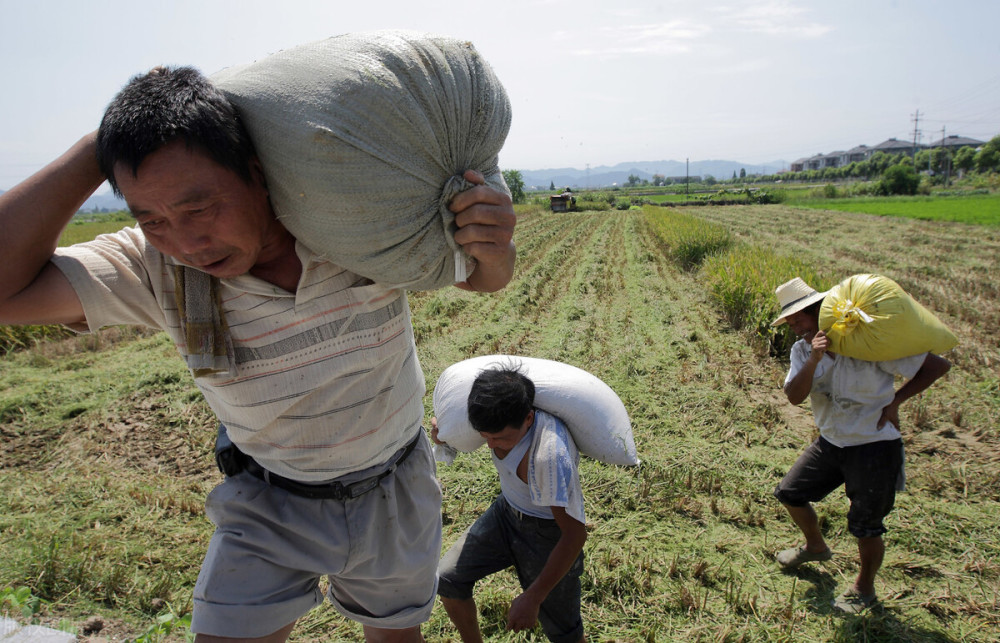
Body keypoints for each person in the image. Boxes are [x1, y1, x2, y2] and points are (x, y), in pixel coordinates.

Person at [0, 66, 516, 643]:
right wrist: (101, 145)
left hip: (395, 487)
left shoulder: (351, 225)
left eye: (199, 209)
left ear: (256, 172)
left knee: (397, 636)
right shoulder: (154, 268)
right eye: (153, 218)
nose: (187, 242)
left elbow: (481, 278)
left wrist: (493, 247)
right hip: (270, 499)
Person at [770, 277, 951, 614]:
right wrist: (814, 359)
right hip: (831, 443)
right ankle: (815, 546)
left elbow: (936, 366)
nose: (795, 328)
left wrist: (895, 402)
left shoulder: (867, 342)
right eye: (790, 322)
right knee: (790, 493)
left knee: (865, 527)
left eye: (799, 319)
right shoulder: (802, 350)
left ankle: (864, 588)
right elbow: (794, 397)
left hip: (874, 447)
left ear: (819, 311)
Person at [431, 366, 587, 643]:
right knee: (447, 578)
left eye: (500, 438)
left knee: (565, 632)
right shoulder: (489, 421)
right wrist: (446, 438)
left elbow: (575, 535)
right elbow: (466, 435)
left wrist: (533, 596)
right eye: (485, 436)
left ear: (528, 418)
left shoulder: (548, 457)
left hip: (548, 534)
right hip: (506, 513)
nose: (491, 446)